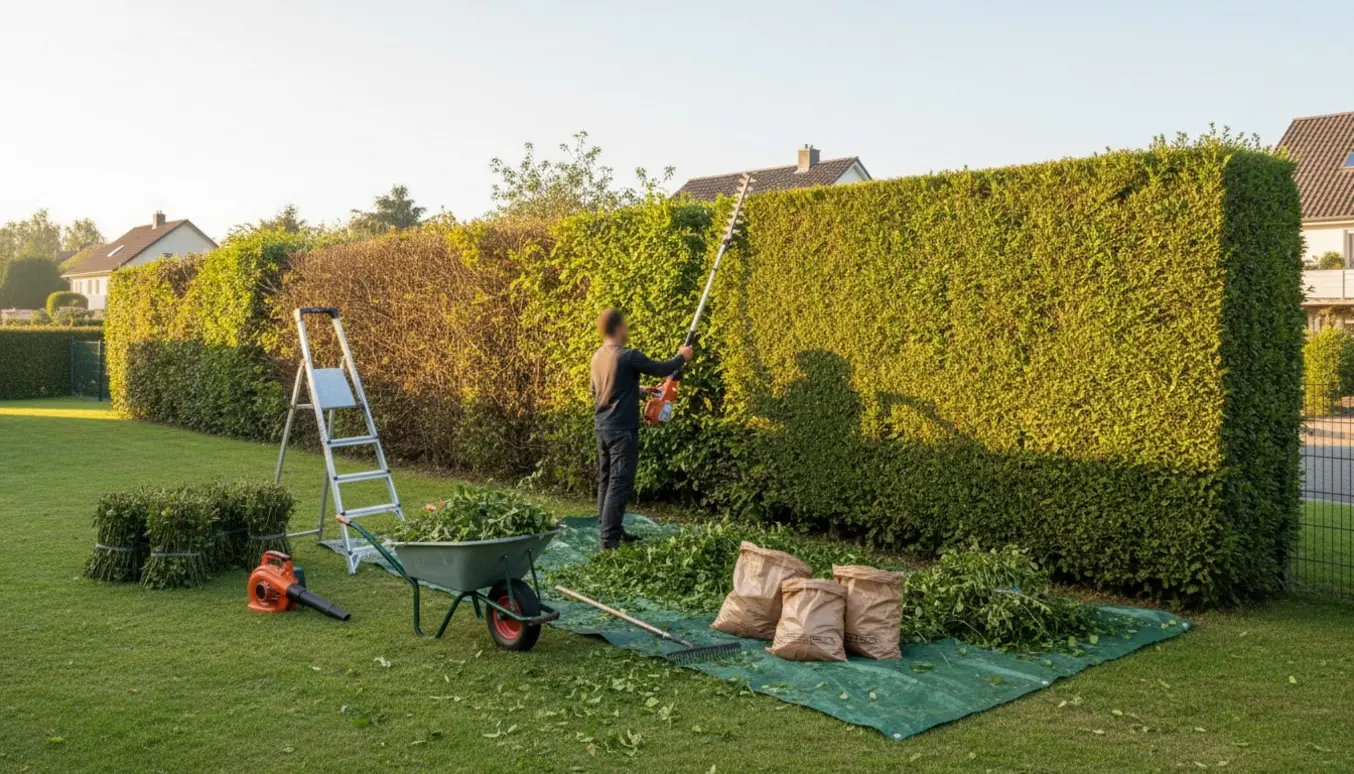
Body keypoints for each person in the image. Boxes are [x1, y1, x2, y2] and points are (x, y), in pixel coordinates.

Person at [590, 309, 693, 550]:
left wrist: (643, 392)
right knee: (619, 482)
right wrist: (682, 357)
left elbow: (600, 391)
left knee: (606, 480)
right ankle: (609, 541)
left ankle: (611, 530)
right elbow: (661, 369)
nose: (627, 330)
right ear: (617, 329)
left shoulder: (597, 357)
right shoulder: (627, 356)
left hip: (602, 427)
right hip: (622, 429)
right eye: (625, 326)